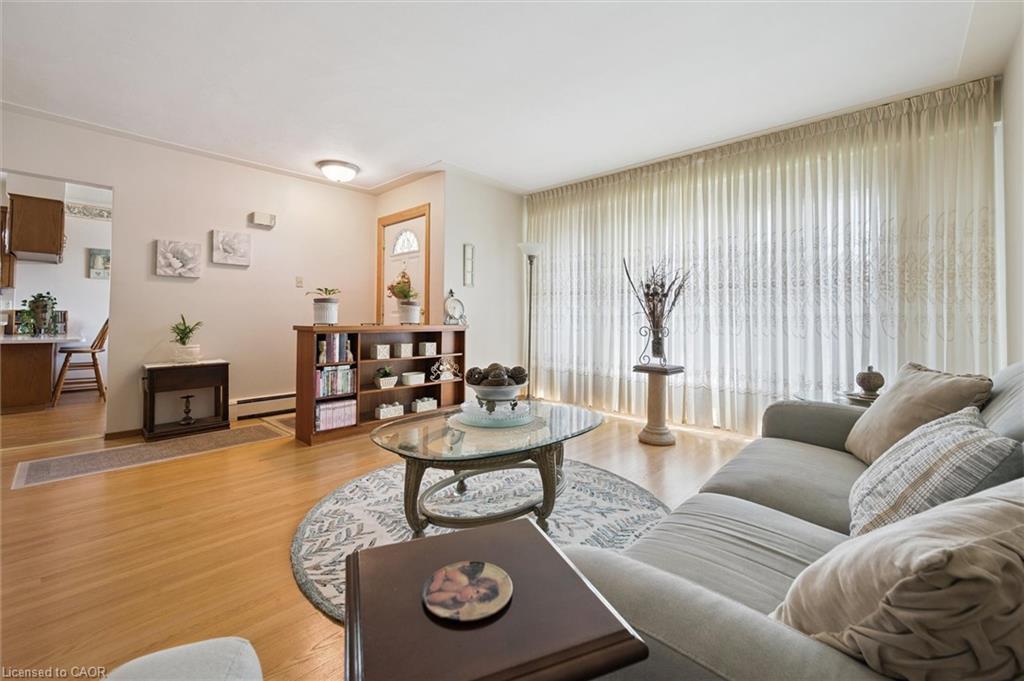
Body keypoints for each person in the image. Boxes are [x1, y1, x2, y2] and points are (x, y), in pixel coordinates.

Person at [425, 561, 501, 611]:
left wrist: (453, 595)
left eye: (477, 599)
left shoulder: (458, 605)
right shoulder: (462, 580)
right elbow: (443, 570)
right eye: (477, 592)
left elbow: (429, 598)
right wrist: (437, 581)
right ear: (474, 584)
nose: (473, 597)